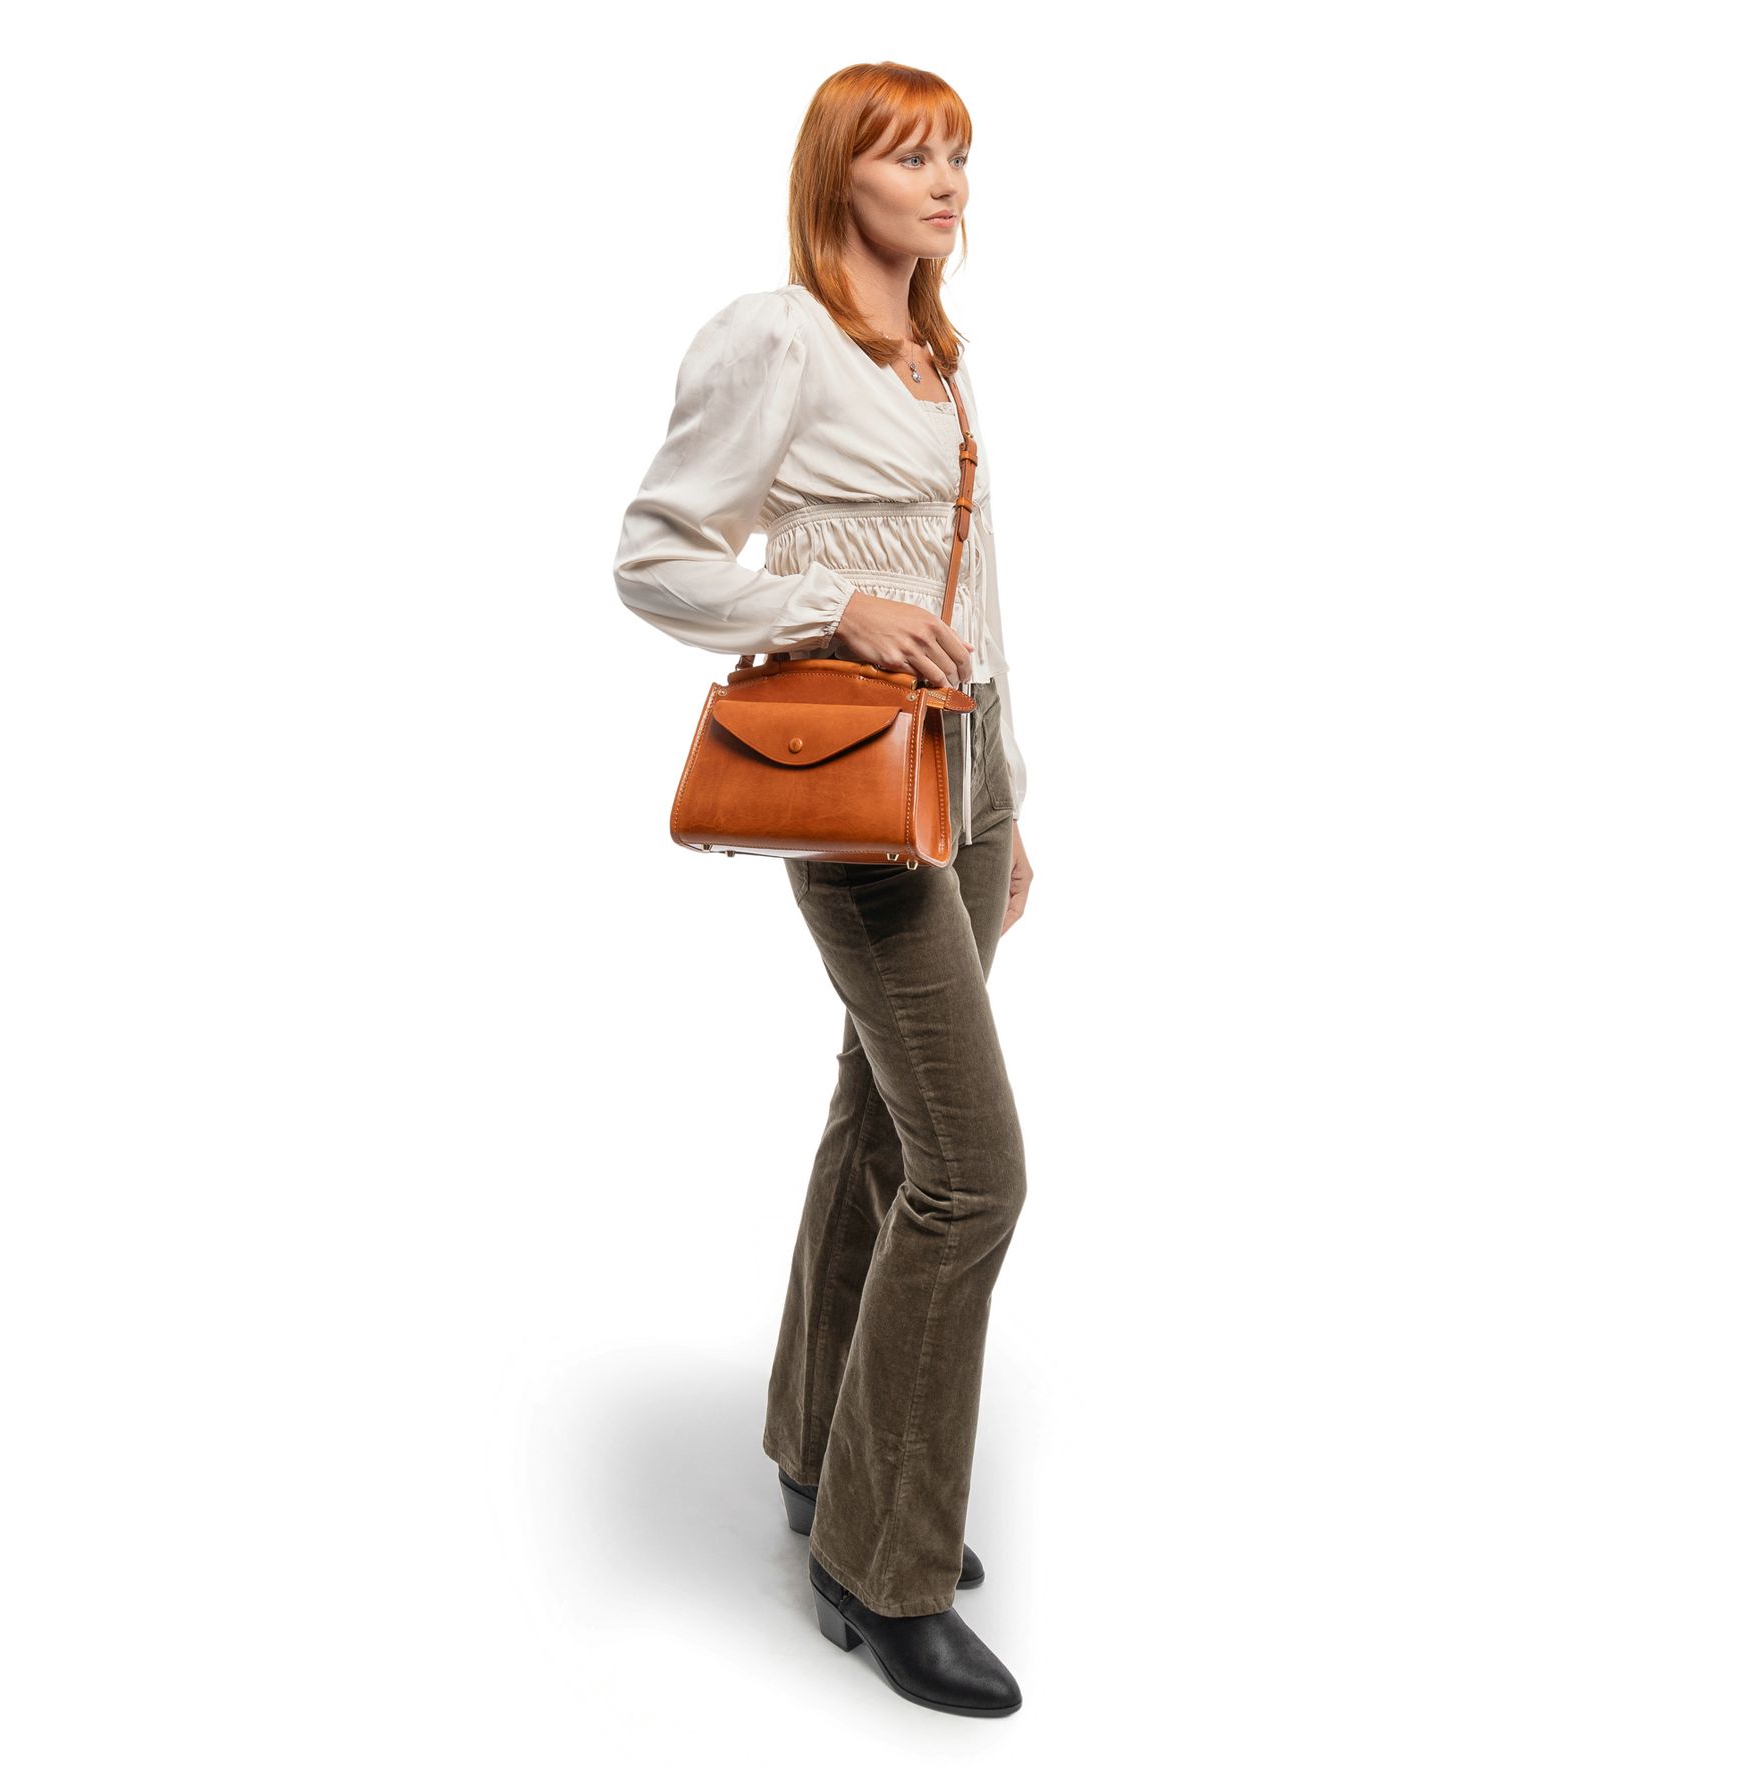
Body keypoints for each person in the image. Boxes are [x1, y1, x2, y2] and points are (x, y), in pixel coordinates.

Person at [612, 63, 1034, 1719]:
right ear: (835, 174)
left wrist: (1015, 803)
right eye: (908, 155)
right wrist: (826, 609)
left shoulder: (939, 354)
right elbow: (653, 552)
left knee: (881, 1115)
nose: (946, 183)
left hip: (964, 781)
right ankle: (879, 1563)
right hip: (856, 796)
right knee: (972, 1175)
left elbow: (977, 591)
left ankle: (818, 1449)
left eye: (958, 156)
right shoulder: (776, 339)